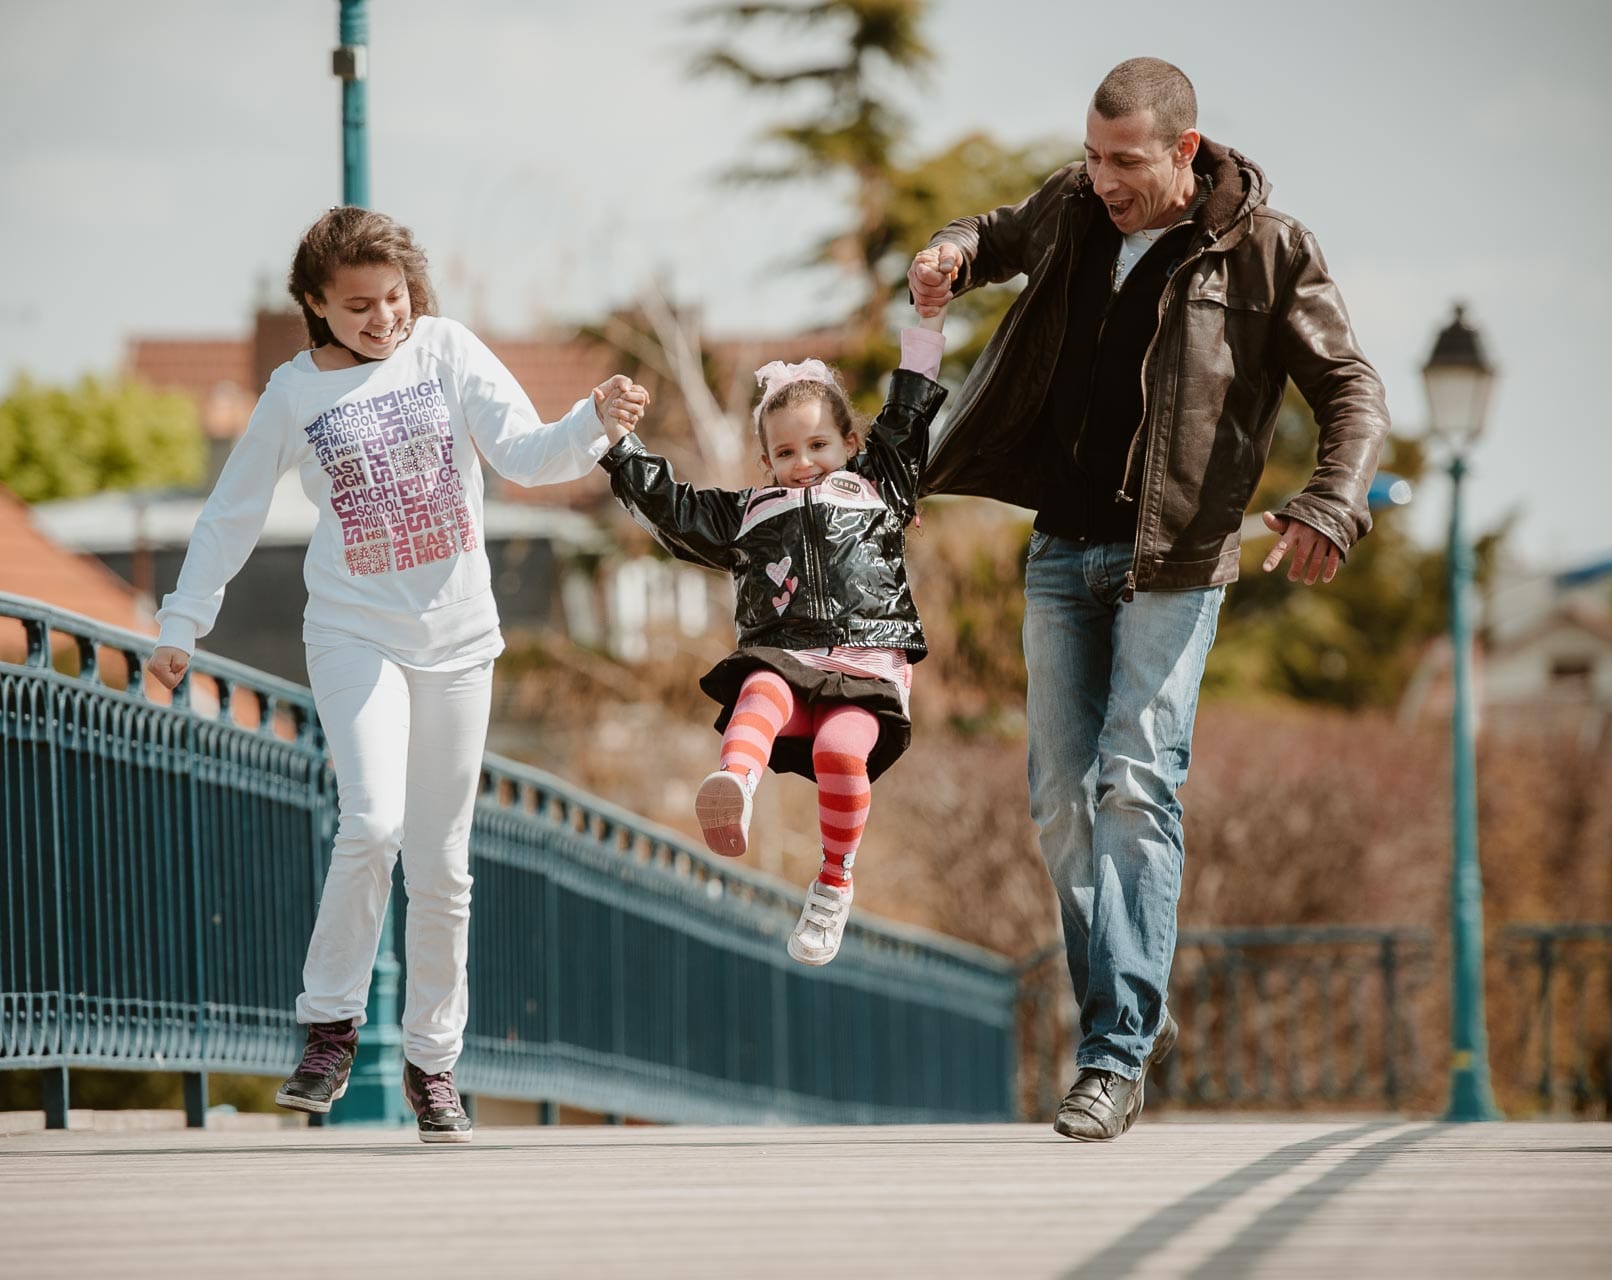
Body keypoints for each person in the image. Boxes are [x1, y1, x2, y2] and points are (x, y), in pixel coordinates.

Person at [908, 56, 1389, 1141]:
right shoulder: (1075, 208)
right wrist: (950, 251)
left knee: (1133, 781)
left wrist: (1330, 501)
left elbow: (1350, 387)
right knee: (1056, 799)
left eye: (1122, 161)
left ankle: (1114, 1049)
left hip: (1173, 558)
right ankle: (1128, 1005)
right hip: (1060, 547)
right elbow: (995, 234)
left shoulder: (1265, 251)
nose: (1098, 178)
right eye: (1089, 155)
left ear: (1183, 151)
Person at [145, 206, 648, 1143]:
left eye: (395, 297)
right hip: (352, 634)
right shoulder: (295, 394)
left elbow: (530, 457)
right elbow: (231, 512)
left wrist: (593, 419)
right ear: (316, 306)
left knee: (444, 862)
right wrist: (183, 622)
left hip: (459, 640)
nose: (384, 318)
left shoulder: (448, 351)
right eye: (359, 306)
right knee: (372, 824)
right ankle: (330, 1030)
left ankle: (433, 1066)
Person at [599, 311, 950, 966]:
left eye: (818, 446)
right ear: (765, 461)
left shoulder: (878, 486)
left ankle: (833, 883)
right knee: (758, 686)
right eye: (785, 453)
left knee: (843, 754)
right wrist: (620, 444)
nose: (803, 464)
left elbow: (907, 412)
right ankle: (736, 781)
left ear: (849, 443)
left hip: (865, 666)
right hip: (787, 657)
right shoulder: (749, 514)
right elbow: (672, 509)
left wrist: (926, 321)